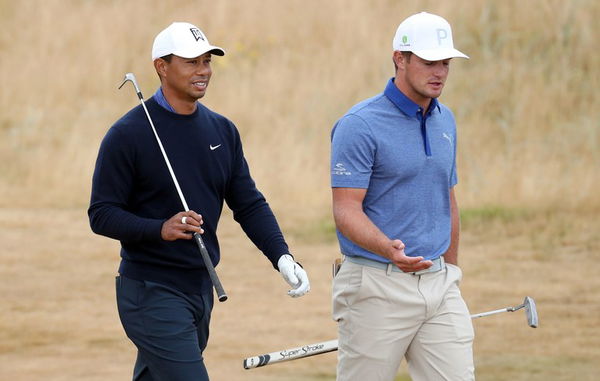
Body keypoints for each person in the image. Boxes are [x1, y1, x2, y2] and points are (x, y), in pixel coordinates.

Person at [88, 22, 310, 381]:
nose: (203, 70)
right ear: (162, 66)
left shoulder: (222, 130)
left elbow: (249, 203)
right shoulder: (127, 135)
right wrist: (160, 228)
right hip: (149, 291)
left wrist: (281, 255)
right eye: (191, 62)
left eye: (207, 61)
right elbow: (101, 214)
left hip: (200, 289)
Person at [330, 12, 473, 381]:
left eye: (445, 62)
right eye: (429, 62)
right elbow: (346, 209)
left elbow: (447, 199)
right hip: (377, 285)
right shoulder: (359, 125)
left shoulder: (446, 120)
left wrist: (452, 270)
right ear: (400, 58)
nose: (439, 72)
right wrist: (387, 248)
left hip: (440, 285)